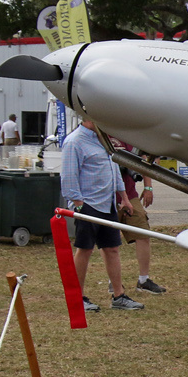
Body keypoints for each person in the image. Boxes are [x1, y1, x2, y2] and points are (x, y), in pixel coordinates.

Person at [61, 118, 144, 311]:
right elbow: (68, 177)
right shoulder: (74, 142)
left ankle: (119, 296)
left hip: (107, 205)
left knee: (112, 248)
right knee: (85, 249)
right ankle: (77, 298)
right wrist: (79, 205)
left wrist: (123, 196)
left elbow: (114, 167)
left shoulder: (104, 140)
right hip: (87, 205)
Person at [118, 152, 167, 295]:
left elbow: (144, 163)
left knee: (143, 232)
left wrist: (148, 187)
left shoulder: (132, 139)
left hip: (130, 194)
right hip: (107, 194)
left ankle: (144, 280)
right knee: (111, 240)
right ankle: (113, 282)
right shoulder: (103, 137)